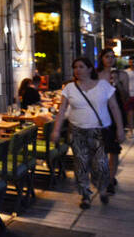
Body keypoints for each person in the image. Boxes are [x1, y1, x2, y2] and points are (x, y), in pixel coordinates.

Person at [50, 57, 124, 209]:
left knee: (99, 162)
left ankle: (102, 188)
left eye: (81, 66)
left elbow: (115, 108)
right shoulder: (69, 88)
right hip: (77, 129)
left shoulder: (103, 86)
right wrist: (56, 129)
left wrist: (120, 129)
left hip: (99, 130)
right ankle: (85, 195)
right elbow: (62, 110)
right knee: (81, 163)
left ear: (90, 69)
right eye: (75, 67)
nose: (78, 70)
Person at [96, 49, 131, 194]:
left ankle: (110, 180)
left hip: (116, 114)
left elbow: (126, 97)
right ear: (101, 58)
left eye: (112, 57)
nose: (110, 59)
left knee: (113, 149)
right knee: (100, 148)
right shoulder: (96, 75)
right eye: (107, 57)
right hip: (100, 113)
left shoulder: (122, 75)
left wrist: (118, 84)